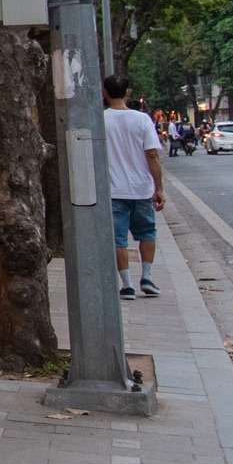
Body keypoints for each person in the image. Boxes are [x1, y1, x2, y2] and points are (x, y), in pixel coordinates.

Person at [103, 73, 166, 299]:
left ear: (104, 93)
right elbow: (152, 155)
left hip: (113, 190)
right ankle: (147, 277)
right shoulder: (142, 120)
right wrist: (158, 188)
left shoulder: (100, 120)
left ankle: (127, 284)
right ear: (128, 92)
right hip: (141, 188)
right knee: (147, 232)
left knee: (118, 238)